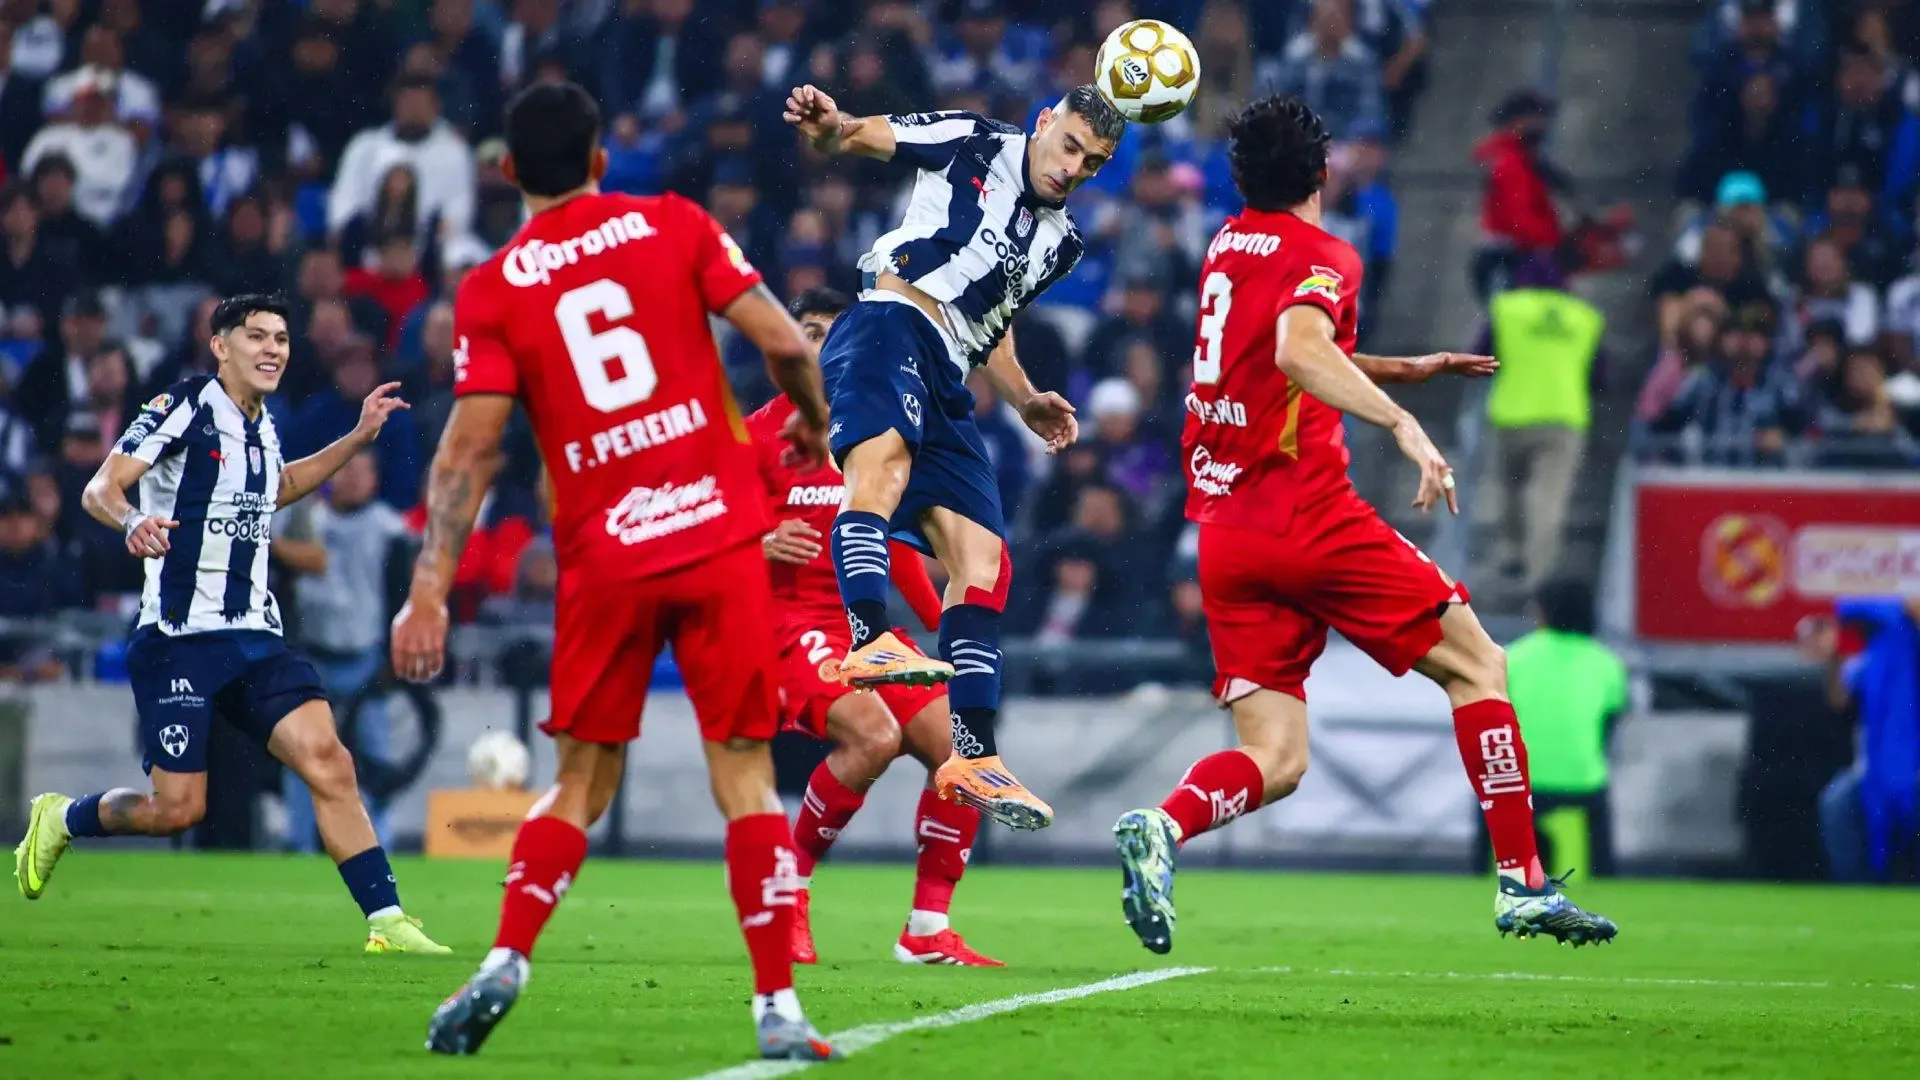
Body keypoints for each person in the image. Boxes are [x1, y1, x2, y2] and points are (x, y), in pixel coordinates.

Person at [388, 82, 837, 1062]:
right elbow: (781, 340)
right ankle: (776, 1008)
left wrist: (428, 591)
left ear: (507, 175)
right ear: (601, 161)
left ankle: (507, 959)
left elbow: (467, 455)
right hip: (720, 540)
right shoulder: (673, 225)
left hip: (606, 554)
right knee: (747, 781)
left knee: (579, 784)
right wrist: (810, 416)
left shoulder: (493, 289)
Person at [1111, 96, 1618, 954]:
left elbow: (1279, 348)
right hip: (1307, 516)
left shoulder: (1228, 247)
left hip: (1228, 535)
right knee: (1480, 665)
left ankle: (1165, 826)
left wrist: (1397, 368)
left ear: (1241, 177)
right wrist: (1402, 423)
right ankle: (1521, 883)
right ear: (1322, 172)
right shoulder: (1325, 252)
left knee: (1277, 758)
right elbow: (1297, 352)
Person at [11, 294, 448, 957]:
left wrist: (357, 437)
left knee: (330, 762)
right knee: (176, 810)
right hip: (181, 638)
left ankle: (386, 920)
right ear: (221, 346)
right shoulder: (182, 406)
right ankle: (63, 816)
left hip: (256, 635)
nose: (273, 348)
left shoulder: (263, 426)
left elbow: (276, 487)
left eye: (281, 337)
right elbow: (100, 487)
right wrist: (133, 522)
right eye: (257, 337)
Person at [782, 81, 1118, 830]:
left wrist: (1026, 397)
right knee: (883, 467)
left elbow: (992, 318)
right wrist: (829, 125)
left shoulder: (1061, 245)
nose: (1073, 168)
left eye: (1091, 163)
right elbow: (861, 135)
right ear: (1043, 122)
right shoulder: (973, 141)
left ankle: (972, 754)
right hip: (888, 324)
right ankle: (868, 640)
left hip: (953, 372)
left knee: (984, 559)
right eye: (1068, 146)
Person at [747, 287, 998, 969]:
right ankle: (788, 893)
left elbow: (899, 559)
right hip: (792, 627)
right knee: (873, 737)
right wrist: (756, 540)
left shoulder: (879, 432)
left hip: (868, 631)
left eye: (834, 331)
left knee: (966, 748)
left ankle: (926, 927)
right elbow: (699, 527)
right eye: (807, 332)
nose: (819, 344)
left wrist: (951, 632)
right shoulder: (756, 436)